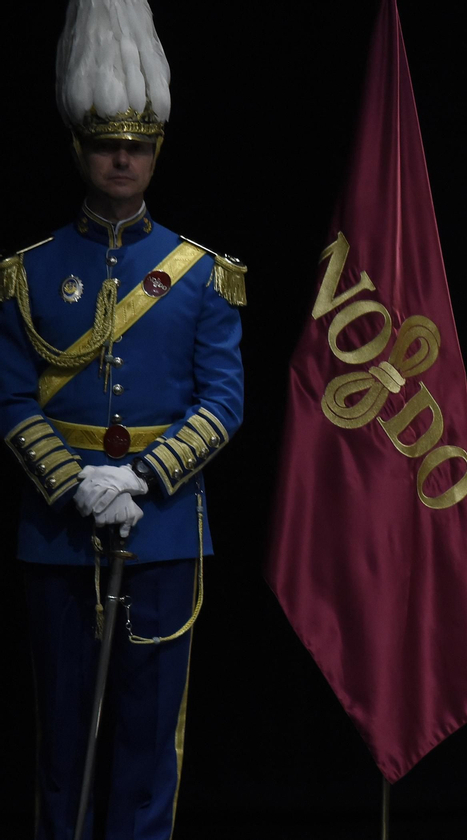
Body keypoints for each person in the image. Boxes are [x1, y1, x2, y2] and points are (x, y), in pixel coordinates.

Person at [0, 3, 245, 837]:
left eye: (138, 145)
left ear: (157, 152)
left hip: (167, 531)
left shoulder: (204, 276)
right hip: (58, 533)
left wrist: (142, 476)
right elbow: (10, 401)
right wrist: (76, 486)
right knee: (62, 735)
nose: (123, 159)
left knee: (148, 739)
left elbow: (224, 402)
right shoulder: (28, 274)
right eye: (109, 143)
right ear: (80, 147)